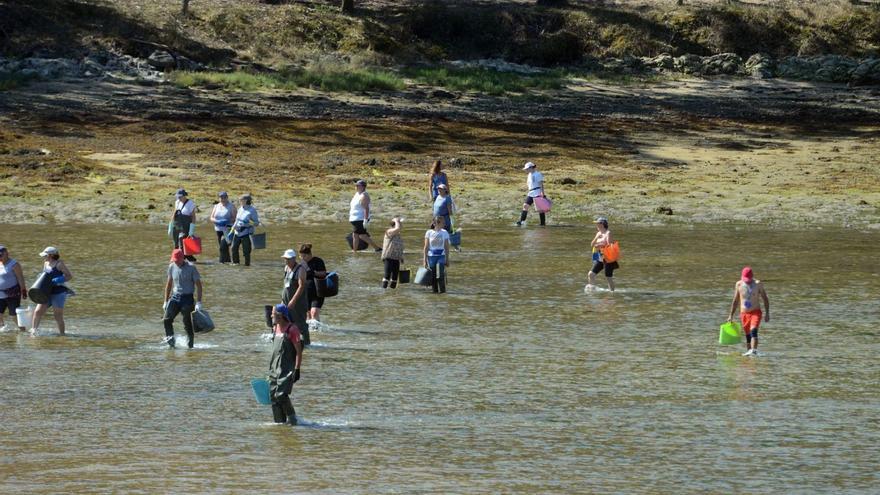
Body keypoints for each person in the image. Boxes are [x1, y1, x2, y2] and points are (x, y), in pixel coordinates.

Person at [268, 303, 303, 425]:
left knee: (281, 395)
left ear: (281, 315)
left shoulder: (292, 330)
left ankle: (293, 421)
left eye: (273, 313)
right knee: (273, 397)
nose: (271, 315)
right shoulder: (274, 328)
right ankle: (280, 424)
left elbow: (299, 351)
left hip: (286, 369)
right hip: (273, 369)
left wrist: (297, 369)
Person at [162, 248, 203, 349]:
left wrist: (198, 302)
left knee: (187, 323)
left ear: (182, 258)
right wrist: (166, 301)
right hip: (175, 298)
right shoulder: (172, 266)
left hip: (187, 299)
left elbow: (199, 286)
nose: (175, 262)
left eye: (177, 260)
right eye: (174, 260)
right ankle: (171, 343)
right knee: (167, 319)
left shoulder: (191, 268)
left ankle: (190, 346)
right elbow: (169, 284)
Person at [728, 266, 771, 356]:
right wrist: (730, 315)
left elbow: (765, 299)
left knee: (753, 330)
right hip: (744, 314)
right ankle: (750, 355)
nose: (747, 281)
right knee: (748, 336)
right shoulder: (739, 284)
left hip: (756, 312)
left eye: (749, 279)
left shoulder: (758, 284)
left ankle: (754, 351)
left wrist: (767, 313)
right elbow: (735, 301)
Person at [31, 246, 74, 335]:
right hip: (46, 291)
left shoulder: (59, 264)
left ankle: (62, 335)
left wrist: (60, 279)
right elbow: (45, 275)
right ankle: (33, 332)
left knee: (57, 315)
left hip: (58, 292)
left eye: (45, 255)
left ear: (51, 255)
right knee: (37, 312)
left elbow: (69, 276)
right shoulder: (45, 262)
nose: (44, 257)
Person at [281, 249, 310, 346]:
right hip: (286, 301)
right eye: (285, 259)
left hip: (298, 303)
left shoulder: (300, 270)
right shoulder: (286, 268)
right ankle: (291, 342)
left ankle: (306, 344)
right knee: (286, 321)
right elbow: (285, 285)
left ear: (294, 259)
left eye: (288, 259)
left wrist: (293, 300)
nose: (286, 261)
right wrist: (283, 300)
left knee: (300, 324)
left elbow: (302, 286)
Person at [349, 179, 382, 252]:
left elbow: (366, 208)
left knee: (361, 235)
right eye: (356, 185)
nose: (356, 187)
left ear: (363, 187)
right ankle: (354, 251)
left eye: (358, 185)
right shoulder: (357, 194)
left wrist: (365, 220)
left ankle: (377, 248)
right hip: (355, 219)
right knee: (356, 235)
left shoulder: (364, 195)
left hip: (360, 219)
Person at [0, 245, 28, 331]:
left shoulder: (14, 264)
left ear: (7, 254)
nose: (0, 257)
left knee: (13, 315)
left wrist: (23, 290)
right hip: (0, 294)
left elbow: (20, 278)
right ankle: (2, 329)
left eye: (1, 255)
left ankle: (23, 331)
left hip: (13, 293)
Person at [587, 217, 618, 292]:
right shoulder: (598, 233)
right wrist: (597, 237)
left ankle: (612, 294)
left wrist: (600, 245)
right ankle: (592, 290)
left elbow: (609, 245)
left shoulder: (608, 233)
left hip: (608, 258)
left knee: (608, 277)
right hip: (600, 258)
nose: (596, 225)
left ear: (602, 224)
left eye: (597, 223)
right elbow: (592, 244)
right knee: (591, 274)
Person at [422, 216, 451, 294]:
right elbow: (426, 247)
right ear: (435, 223)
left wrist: (447, 259)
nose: (444, 224)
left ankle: (443, 292)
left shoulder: (444, 232)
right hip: (431, 257)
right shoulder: (429, 232)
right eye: (443, 223)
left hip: (441, 256)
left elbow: (446, 247)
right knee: (433, 275)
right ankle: (435, 292)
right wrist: (424, 260)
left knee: (440, 274)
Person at [299, 244, 327, 322]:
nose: (302, 258)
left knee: (314, 313)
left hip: (318, 292)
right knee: (308, 315)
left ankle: (317, 330)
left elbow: (323, 273)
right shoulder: (301, 264)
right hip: (306, 293)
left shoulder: (318, 261)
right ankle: (312, 333)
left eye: (304, 256)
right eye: (301, 256)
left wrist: (312, 272)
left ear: (309, 254)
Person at [231, 193, 260, 266]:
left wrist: (247, 224)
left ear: (246, 200)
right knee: (233, 248)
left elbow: (256, 223)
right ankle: (235, 263)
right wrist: (233, 227)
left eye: (241, 200)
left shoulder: (252, 210)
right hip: (237, 232)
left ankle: (247, 265)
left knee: (246, 251)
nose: (239, 201)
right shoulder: (240, 208)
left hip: (246, 233)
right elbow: (237, 220)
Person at [209, 191, 236, 263]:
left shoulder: (231, 206)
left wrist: (227, 221)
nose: (223, 199)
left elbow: (235, 218)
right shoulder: (216, 206)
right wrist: (216, 221)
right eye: (221, 197)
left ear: (227, 198)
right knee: (223, 247)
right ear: (219, 198)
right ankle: (227, 261)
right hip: (218, 229)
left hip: (228, 229)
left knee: (222, 247)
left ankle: (221, 262)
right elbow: (211, 217)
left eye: (224, 197)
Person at [170, 188, 197, 260]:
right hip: (177, 226)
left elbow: (193, 217)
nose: (178, 198)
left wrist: (191, 230)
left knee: (182, 243)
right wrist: (170, 225)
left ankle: (181, 260)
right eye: (177, 197)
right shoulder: (177, 202)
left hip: (186, 226)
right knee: (176, 244)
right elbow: (174, 213)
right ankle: (181, 259)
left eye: (180, 196)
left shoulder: (190, 203)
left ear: (184, 196)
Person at [516, 161, 546, 227]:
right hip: (531, 193)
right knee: (525, 206)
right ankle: (522, 221)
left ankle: (542, 224)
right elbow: (530, 184)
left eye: (527, 169)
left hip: (537, 192)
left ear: (531, 168)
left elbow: (541, 184)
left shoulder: (538, 174)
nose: (526, 170)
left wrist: (542, 193)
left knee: (540, 209)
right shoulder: (529, 175)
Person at [381, 217, 404, 289]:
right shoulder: (389, 231)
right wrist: (397, 220)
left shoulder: (398, 234)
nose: (401, 225)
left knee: (395, 278)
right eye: (400, 223)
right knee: (387, 276)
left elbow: (399, 246)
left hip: (396, 258)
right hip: (388, 257)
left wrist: (401, 257)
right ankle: (383, 291)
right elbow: (398, 229)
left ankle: (391, 293)